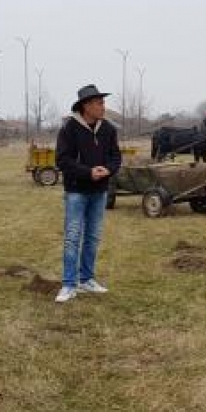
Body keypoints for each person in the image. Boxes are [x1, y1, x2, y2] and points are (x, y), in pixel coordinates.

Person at [54, 84, 122, 303]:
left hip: (99, 192)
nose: (104, 106)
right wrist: (88, 172)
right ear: (86, 106)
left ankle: (87, 279)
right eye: (99, 103)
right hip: (76, 191)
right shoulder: (69, 128)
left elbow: (115, 158)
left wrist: (108, 170)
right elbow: (62, 160)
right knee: (72, 237)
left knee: (92, 237)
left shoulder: (109, 129)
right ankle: (68, 284)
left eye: (103, 102)